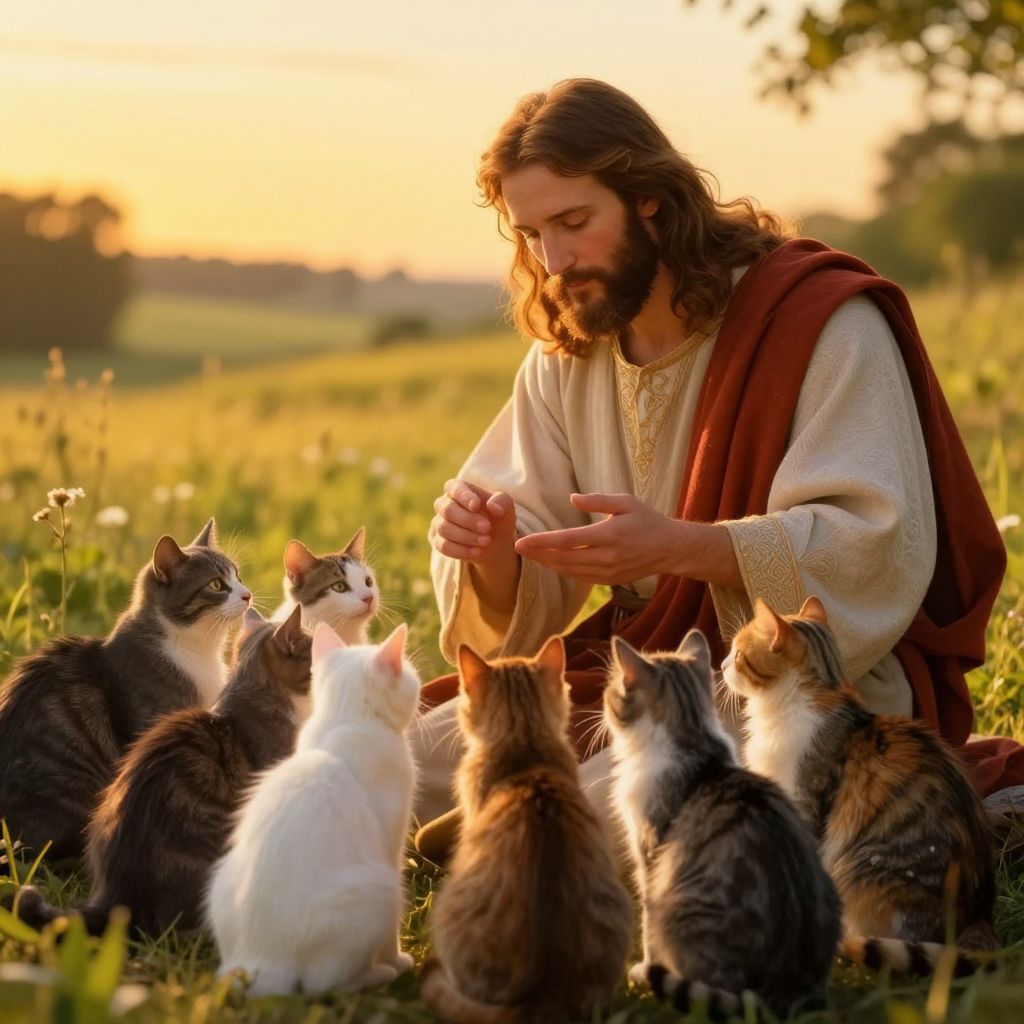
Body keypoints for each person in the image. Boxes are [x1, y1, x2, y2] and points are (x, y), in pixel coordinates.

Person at [411, 78, 1022, 854]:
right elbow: (527, 557)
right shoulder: (569, 352)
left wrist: (682, 547)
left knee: (636, 798)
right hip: (643, 675)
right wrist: (494, 552)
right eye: (531, 235)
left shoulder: (819, 319)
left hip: (791, 680)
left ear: (651, 200)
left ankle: (524, 825)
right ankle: (519, 820)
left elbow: (872, 543)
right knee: (402, 757)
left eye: (574, 222)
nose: (555, 260)